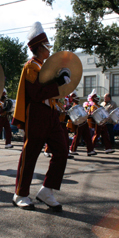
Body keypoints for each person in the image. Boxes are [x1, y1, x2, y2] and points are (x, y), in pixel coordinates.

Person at [11, 21, 70, 211]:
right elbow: (36, 93)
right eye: (47, 47)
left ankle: (47, 190)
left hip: (51, 114)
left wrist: (60, 82)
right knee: (30, 154)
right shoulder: (31, 67)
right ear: (39, 48)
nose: (49, 50)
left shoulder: (45, 66)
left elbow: (51, 91)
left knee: (62, 151)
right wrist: (57, 82)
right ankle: (20, 193)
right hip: (37, 114)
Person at [67, 91, 96, 156]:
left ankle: (90, 150)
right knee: (77, 137)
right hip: (79, 123)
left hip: (84, 122)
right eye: (75, 97)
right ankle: (72, 149)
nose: (78, 98)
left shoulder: (78, 106)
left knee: (87, 136)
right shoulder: (73, 107)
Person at [86, 89, 115, 154]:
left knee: (105, 135)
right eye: (96, 98)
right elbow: (93, 114)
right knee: (96, 135)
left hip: (102, 122)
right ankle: (90, 149)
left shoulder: (99, 106)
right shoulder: (93, 106)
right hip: (98, 123)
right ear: (93, 99)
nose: (98, 99)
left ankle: (108, 148)